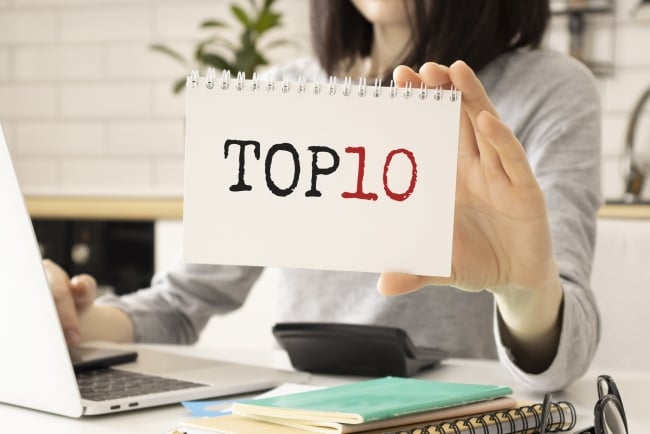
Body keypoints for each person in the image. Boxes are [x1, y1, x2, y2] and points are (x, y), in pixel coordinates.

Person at [45, 0, 602, 392]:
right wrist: (62, 320)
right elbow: (178, 303)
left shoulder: (548, 91)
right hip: (301, 413)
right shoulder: (279, 94)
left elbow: (561, 362)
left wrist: (524, 290)